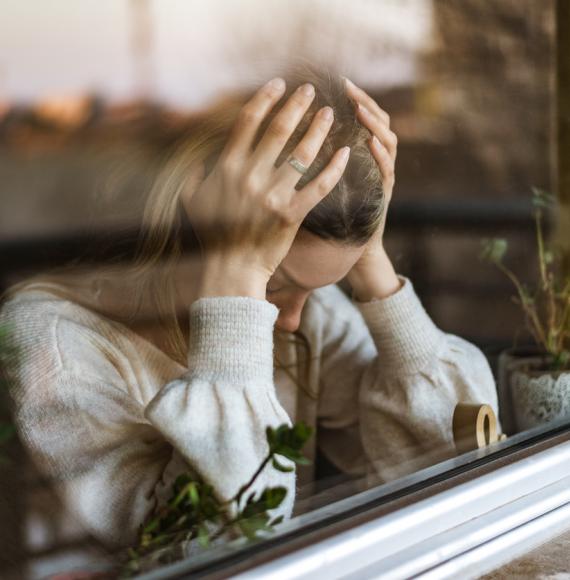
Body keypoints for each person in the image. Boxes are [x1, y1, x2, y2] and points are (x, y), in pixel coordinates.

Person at [0, 66, 499, 549]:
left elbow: (447, 456)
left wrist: (370, 259)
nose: (294, 318)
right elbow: (205, 546)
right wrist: (234, 281)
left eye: (324, 285)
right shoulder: (50, 341)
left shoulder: (308, 312)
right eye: (275, 282)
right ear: (199, 214)